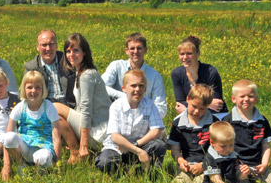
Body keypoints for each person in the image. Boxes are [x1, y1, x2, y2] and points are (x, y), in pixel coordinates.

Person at [95, 69, 166, 173]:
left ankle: (151, 173)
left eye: (141, 86)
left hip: (140, 145)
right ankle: (122, 172)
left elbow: (156, 131)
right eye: (133, 86)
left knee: (159, 145)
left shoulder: (150, 105)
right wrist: (136, 150)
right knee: (104, 162)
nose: (137, 89)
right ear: (124, 88)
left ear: (145, 89)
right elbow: (115, 136)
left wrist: (136, 146)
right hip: (118, 148)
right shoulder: (116, 106)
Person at [54, 33, 111, 164]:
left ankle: (77, 152)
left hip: (99, 132)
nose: (71, 54)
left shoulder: (86, 75)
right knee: (56, 116)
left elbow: (86, 111)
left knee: (55, 107)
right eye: (68, 51)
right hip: (95, 127)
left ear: (84, 52)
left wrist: (83, 144)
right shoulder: (82, 72)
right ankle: (77, 151)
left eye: (76, 50)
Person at [1, 70, 61, 180]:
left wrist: (57, 163)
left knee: (42, 157)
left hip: (44, 148)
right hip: (26, 148)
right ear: (24, 89)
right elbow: (7, 137)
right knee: (8, 138)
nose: (34, 91)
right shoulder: (20, 107)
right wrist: (6, 166)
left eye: (38, 87)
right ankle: (21, 165)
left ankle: (42, 172)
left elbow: (56, 137)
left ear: (43, 89)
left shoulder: (48, 106)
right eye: (29, 87)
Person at [223, 79, 271, 183]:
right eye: (242, 96)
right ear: (233, 99)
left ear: (256, 99)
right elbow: (223, 147)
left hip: (257, 164)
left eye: (250, 96)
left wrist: (264, 164)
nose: (246, 99)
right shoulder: (228, 121)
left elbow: (266, 145)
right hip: (238, 164)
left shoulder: (262, 121)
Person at [101, 32, 167, 120]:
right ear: (126, 51)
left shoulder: (155, 76)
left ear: (145, 50)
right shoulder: (116, 66)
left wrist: (143, 118)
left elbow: (161, 108)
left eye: (139, 48)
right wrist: (124, 96)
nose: (135, 52)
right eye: (132, 48)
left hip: (144, 119)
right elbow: (101, 87)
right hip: (118, 117)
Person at [168, 83, 216, 183]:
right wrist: (180, 160)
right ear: (188, 99)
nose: (197, 111)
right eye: (194, 106)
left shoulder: (214, 123)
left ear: (208, 106)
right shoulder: (178, 123)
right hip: (186, 166)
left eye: (202, 109)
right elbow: (175, 148)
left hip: (207, 166)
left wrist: (203, 165)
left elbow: (218, 150)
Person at [171, 35, 227, 116]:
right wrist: (208, 104)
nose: (185, 57)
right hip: (190, 114)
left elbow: (217, 104)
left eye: (189, 53)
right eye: (182, 54)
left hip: (215, 115)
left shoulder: (211, 72)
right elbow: (180, 103)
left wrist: (190, 105)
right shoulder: (176, 74)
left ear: (198, 53)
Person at [24, 29, 75, 111]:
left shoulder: (68, 61)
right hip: (45, 110)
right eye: (44, 45)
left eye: (51, 44)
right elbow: (26, 96)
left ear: (56, 45)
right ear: (38, 47)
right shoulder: (31, 68)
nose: (48, 48)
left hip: (69, 108)